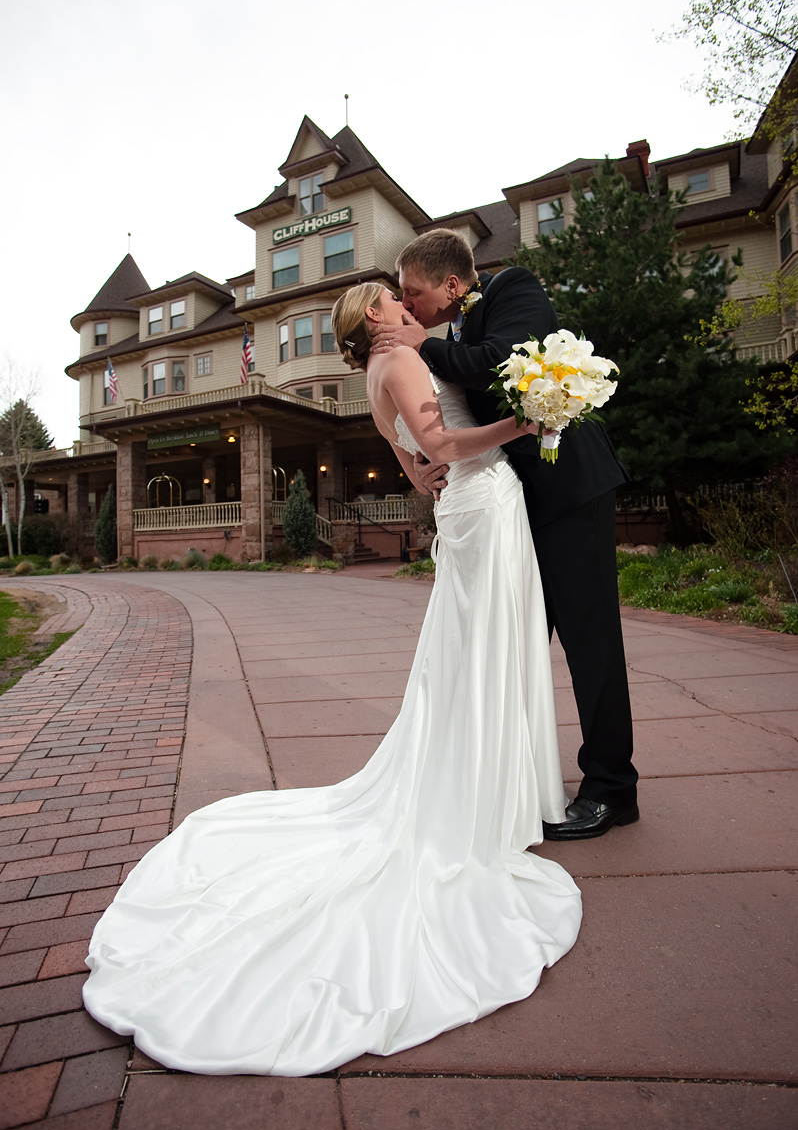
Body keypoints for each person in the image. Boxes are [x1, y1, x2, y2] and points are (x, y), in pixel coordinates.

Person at [82, 282, 581, 1078]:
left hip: (467, 515)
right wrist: (530, 420)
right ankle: (484, 798)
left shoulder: (378, 374)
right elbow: (443, 446)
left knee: (465, 656)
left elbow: (406, 450)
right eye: (387, 296)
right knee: (481, 648)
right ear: (374, 320)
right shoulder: (405, 361)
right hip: (483, 504)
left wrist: (417, 472)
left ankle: (487, 781)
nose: (402, 300)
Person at [371, 229, 638, 840]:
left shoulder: (516, 289)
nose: (408, 308)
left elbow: (499, 362)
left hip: (570, 492)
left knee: (590, 641)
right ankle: (516, 780)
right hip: (510, 509)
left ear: (452, 285)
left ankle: (612, 788)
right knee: (512, 647)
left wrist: (424, 346)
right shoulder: (447, 332)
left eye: (414, 295)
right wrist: (415, 462)